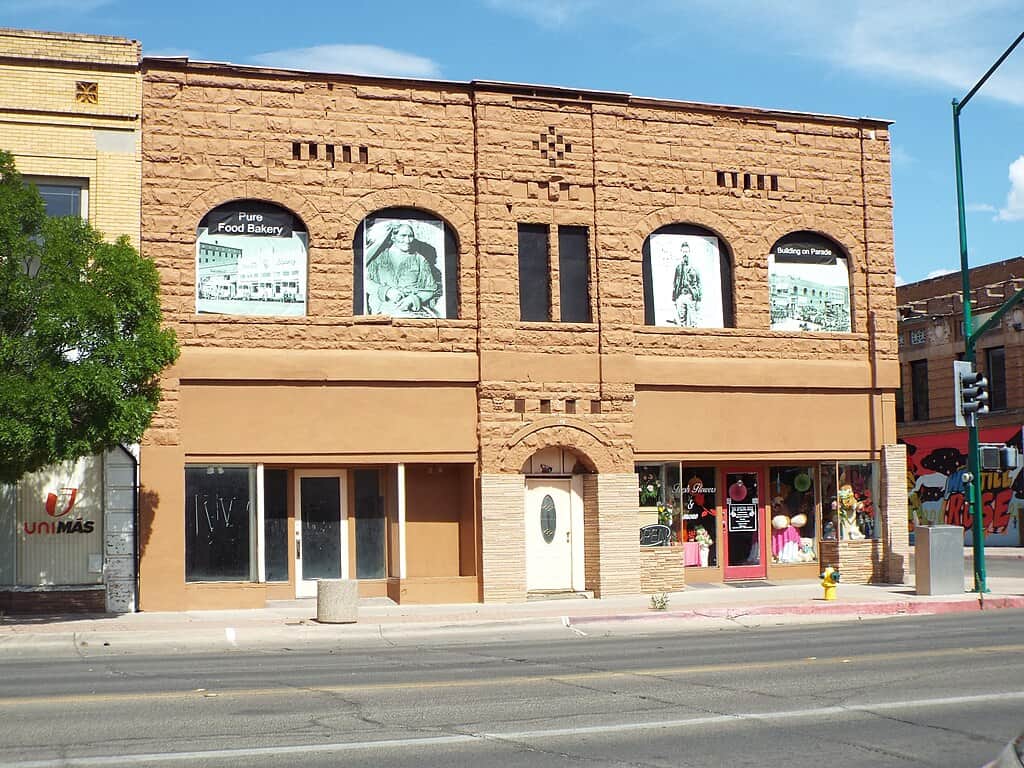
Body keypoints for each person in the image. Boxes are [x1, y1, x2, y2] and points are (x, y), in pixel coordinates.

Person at [364, 221, 440, 317]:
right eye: (403, 236)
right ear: (393, 236)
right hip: (383, 310)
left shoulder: (419, 259)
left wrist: (413, 299)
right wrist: (387, 291)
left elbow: (430, 290)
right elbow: (366, 283)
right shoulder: (378, 258)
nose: (408, 240)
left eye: (410, 236)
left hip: (412, 312)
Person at [671, 240, 702, 326]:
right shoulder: (678, 267)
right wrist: (674, 298)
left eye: (686, 251)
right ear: (681, 252)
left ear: (689, 252)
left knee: (693, 320)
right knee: (681, 319)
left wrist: (698, 299)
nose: (685, 254)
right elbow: (675, 283)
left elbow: (699, 283)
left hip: (691, 295)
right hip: (681, 295)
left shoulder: (694, 267)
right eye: (683, 252)